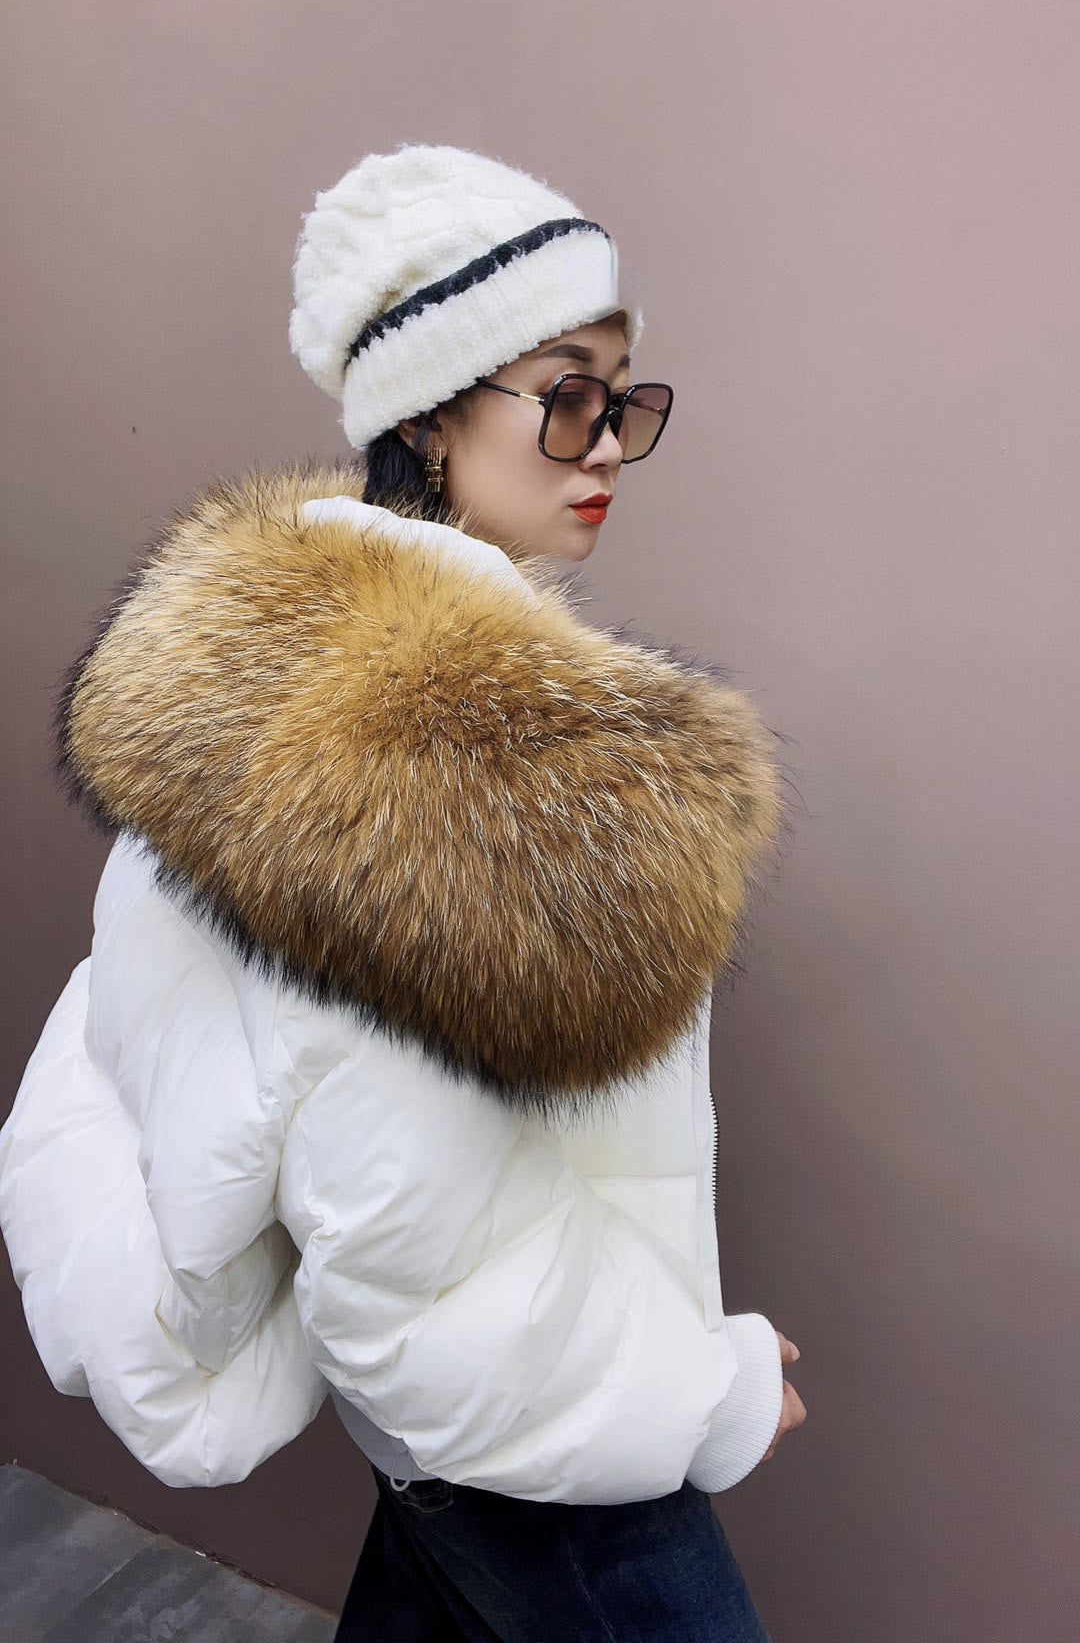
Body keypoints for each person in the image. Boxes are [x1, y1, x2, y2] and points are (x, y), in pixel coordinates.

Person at [0, 143, 806, 1640]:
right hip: (537, 1447)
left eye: (622, 401)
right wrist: (712, 1391)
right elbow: (422, 1278)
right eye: (565, 396)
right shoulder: (436, 768)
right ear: (430, 416)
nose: (607, 445)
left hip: (466, 1429)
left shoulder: (264, 675)